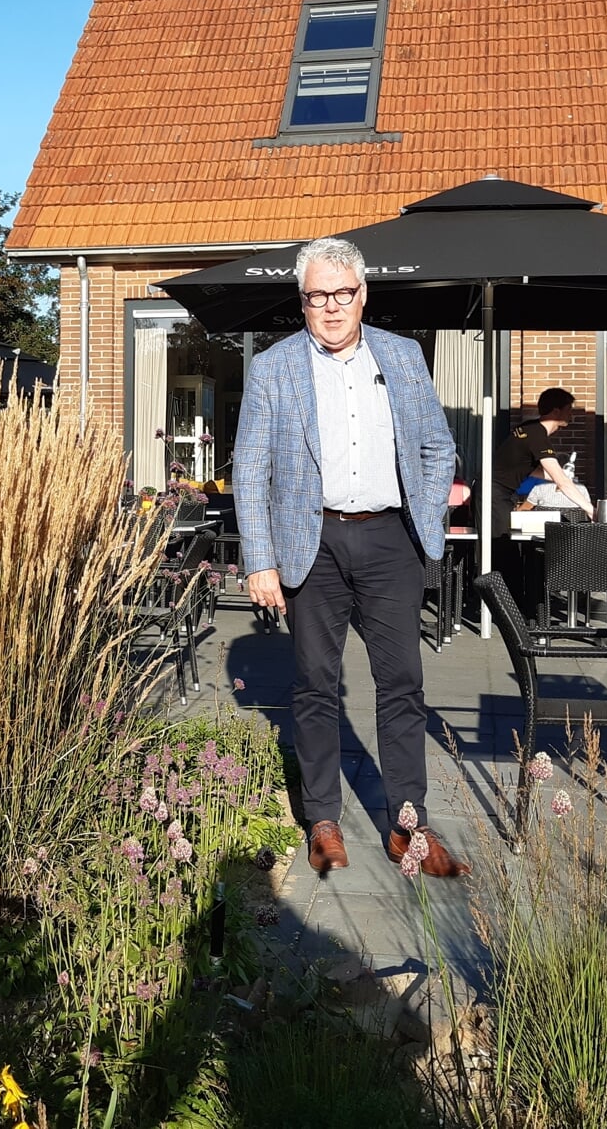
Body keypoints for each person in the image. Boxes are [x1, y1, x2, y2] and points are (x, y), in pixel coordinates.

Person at [234, 237, 467, 879]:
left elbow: (436, 448)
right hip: (314, 543)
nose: (331, 308)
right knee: (316, 685)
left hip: (392, 541)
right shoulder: (274, 368)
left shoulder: (404, 355)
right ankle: (324, 820)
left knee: (403, 685)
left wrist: (427, 525)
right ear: (302, 301)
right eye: (317, 296)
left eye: (342, 294)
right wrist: (260, 561)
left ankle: (407, 826)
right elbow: (250, 471)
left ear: (363, 294)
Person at [491, 387, 593, 529]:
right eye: (568, 409)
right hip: (494, 494)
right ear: (556, 412)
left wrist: (560, 476)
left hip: (500, 494)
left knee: (507, 546)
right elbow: (562, 482)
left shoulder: (529, 428)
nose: (571, 414)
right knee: (500, 545)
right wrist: (591, 510)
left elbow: (526, 469)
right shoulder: (538, 437)